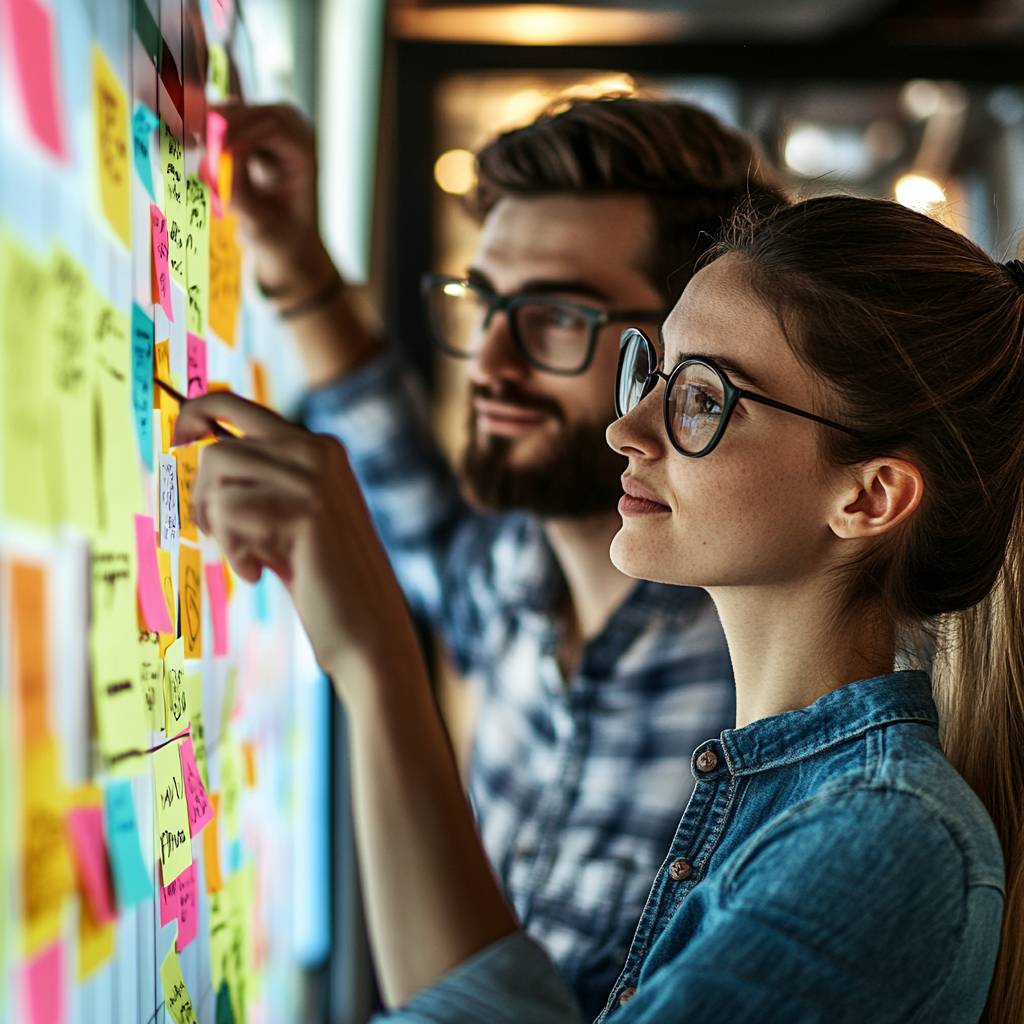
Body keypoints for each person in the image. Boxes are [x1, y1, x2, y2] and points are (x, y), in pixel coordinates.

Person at [177, 194, 1022, 1022]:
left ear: (870, 497)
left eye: (703, 398)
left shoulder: (883, 838)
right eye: (651, 373)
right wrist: (373, 658)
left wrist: (377, 657)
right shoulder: (793, 793)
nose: (628, 430)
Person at [217, 95, 784, 1014]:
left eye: (556, 317)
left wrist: (377, 664)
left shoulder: (771, 685)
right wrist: (292, 255)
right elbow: (403, 485)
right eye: (482, 304)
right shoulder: (511, 580)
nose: (489, 362)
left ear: (693, 353)